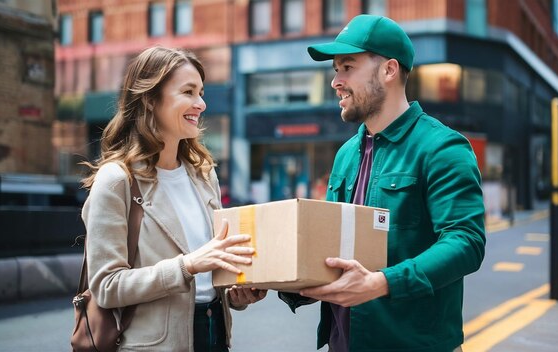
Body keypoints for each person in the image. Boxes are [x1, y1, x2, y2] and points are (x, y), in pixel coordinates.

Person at [279, 15, 486, 351]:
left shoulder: (442, 147)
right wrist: (282, 282)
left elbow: (466, 242)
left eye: (347, 67)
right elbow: (332, 247)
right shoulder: (346, 154)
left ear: (389, 70)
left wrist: (381, 283)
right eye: (335, 70)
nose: (336, 81)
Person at [81, 46, 266, 352]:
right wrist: (187, 265)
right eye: (188, 92)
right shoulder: (117, 180)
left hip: (214, 335)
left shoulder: (204, 174)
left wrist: (235, 294)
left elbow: (210, 273)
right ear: (150, 100)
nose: (201, 104)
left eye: (201, 92)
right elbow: (106, 287)